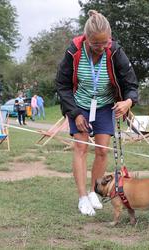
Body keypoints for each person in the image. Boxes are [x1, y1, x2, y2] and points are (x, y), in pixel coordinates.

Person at [56, 10, 138, 216]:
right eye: (95, 44)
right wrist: (75, 113)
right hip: (79, 105)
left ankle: (94, 192)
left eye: (105, 43)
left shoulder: (115, 51)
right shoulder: (73, 51)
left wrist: (128, 102)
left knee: (102, 151)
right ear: (86, 39)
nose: (101, 48)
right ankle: (83, 197)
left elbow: (130, 82)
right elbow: (62, 84)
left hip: (104, 105)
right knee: (81, 148)